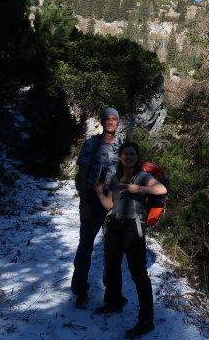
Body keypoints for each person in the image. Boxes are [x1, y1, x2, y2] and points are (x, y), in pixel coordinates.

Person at [94, 141, 167, 339]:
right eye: (126, 154)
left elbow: (161, 190)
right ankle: (114, 301)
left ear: (137, 157)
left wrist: (139, 189)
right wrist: (99, 191)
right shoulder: (115, 177)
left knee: (138, 274)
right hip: (114, 226)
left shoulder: (142, 176)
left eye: (133, 154)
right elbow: (109, 203)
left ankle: (146, 320)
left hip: (133, 228)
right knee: (112, 266)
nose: (129, 157)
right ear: (120, 156)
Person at [71, 108, 122, 309]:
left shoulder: (122, 145)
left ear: (118, 122)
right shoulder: (92, 143)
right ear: (102, 121)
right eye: (107, 119)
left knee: (112, 249)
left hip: (113, 200)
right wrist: (83, 202)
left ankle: (112, 293)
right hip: (92, 198)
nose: (110, 122)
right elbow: (82, 174)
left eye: (114, 119)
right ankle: (80, 291)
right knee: (85, 246)